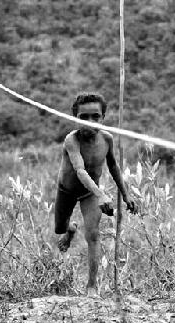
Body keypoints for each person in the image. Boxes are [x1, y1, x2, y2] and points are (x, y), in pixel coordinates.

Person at [54, 93, 137, 297]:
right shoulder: (71, 140)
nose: (90, 122)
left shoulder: (107, 139)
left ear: (103, 117)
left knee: (93, 235)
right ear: (75, 118)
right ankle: (70, 230)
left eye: (95, 116)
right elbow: (80, 171)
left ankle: (91, 287)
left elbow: (114, 166)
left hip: (90, 194)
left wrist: (126, 195)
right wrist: (101, 194)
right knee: (59, 228)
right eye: (83, 117)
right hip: (67, 190)